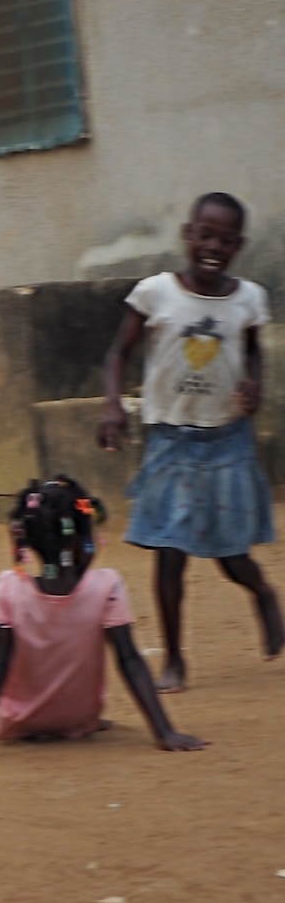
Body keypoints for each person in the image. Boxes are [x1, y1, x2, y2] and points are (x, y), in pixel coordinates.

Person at [99, 191, 284, 692]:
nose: (213, 247)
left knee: (228, 554)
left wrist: (255, 383)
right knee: (170, 550)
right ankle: (175, 659)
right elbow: (118, 353)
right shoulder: (156, 292)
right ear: (187, 235)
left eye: (226, 240)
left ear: (239, 246)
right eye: (205, 235)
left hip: (227, 440)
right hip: (170, 440)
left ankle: (263, 593)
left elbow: (252, 353)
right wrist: (114, 405)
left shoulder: (248, 298)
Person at [0, 476, 204, 763]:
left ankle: (4, 715)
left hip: (14, 723)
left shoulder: (8, 587)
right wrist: (164, 732)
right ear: (85, 537)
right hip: (81, 719)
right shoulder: (107, 586)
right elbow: (129, 660)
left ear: (27, 539)